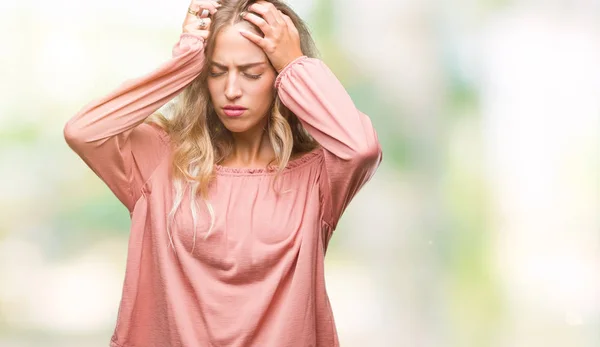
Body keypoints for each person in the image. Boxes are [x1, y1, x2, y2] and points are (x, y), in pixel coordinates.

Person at [63, 0, 382, 346]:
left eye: (251, 73)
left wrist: (296, 64)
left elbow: (361, 148)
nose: (231, 90)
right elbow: (83, 131)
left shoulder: (318, 179)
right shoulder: (160, 159)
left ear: (278, 78)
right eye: (216, 72)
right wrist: (183, 64)